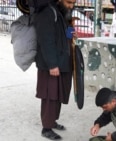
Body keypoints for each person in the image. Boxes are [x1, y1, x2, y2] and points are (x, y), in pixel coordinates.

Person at [34, 0, 76, 140]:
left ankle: (52, 121)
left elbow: (63, 36)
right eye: (69, 2)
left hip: (62, 62)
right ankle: (46, 128)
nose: (71, 6)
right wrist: (52, 65)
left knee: (58, 95)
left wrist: (70, 31)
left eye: (73, 3)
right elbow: (46, 40)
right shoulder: (47, 12)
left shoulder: (60, 13)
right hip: (50, 64)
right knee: (49, 96)